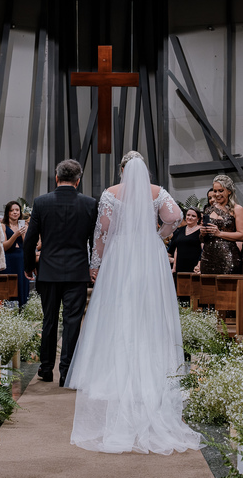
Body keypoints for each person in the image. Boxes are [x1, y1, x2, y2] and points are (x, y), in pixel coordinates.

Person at [65, 152, 204, 455]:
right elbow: (175, 216)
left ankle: (119, 369)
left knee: (120, 309)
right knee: (150, 312)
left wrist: (96, 263)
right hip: (149, 254)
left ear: (122, 171)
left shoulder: (111, 194)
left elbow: (102, 230)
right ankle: (152, 369)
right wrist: (160, 234)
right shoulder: (158, 192)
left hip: (121, 254)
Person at [22, 159, 98, 385]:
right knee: (73, 321)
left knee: (49, 320)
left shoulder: (42, 202)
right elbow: (95, 241)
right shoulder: (89, 203)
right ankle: (67, 371)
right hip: (77, 271)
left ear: (57, 177)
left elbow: (30, 240)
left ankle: (46, 369)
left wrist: (29, 266)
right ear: (78, 180)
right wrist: (94, 267)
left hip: (48, 271)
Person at [196, 175, 243, 274]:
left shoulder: (237, 209)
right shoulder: (208, 209)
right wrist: (203, 233)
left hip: (228, 258)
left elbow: (242, 235)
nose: (217, 194)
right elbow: (202, 239)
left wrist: (219, 234)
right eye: (215, 191)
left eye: (221, 190)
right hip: (207, 257)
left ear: (229, 191)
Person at [1, 200, 29, 304]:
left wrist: (23, 234)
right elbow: (4, 246)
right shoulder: (3, 226)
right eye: (12, 210)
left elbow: (27, 246)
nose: (15, 212)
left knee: (22, 284)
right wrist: (15, 235)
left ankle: (23, 309)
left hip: (21, 258)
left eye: (17, 210)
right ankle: (9, 310)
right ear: (7, 212)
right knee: (10, 286)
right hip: (9, 259)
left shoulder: (24, 225)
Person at [167, 207, 202, 277]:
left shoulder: (201, 231)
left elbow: (203, 251)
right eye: (188, 215)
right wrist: (174, 268)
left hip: (194, 267)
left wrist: (199, 265)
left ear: (198, 219)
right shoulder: (179, 231)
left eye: (193, 216)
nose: (190, 217)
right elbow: (176, 250)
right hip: (180, 267)